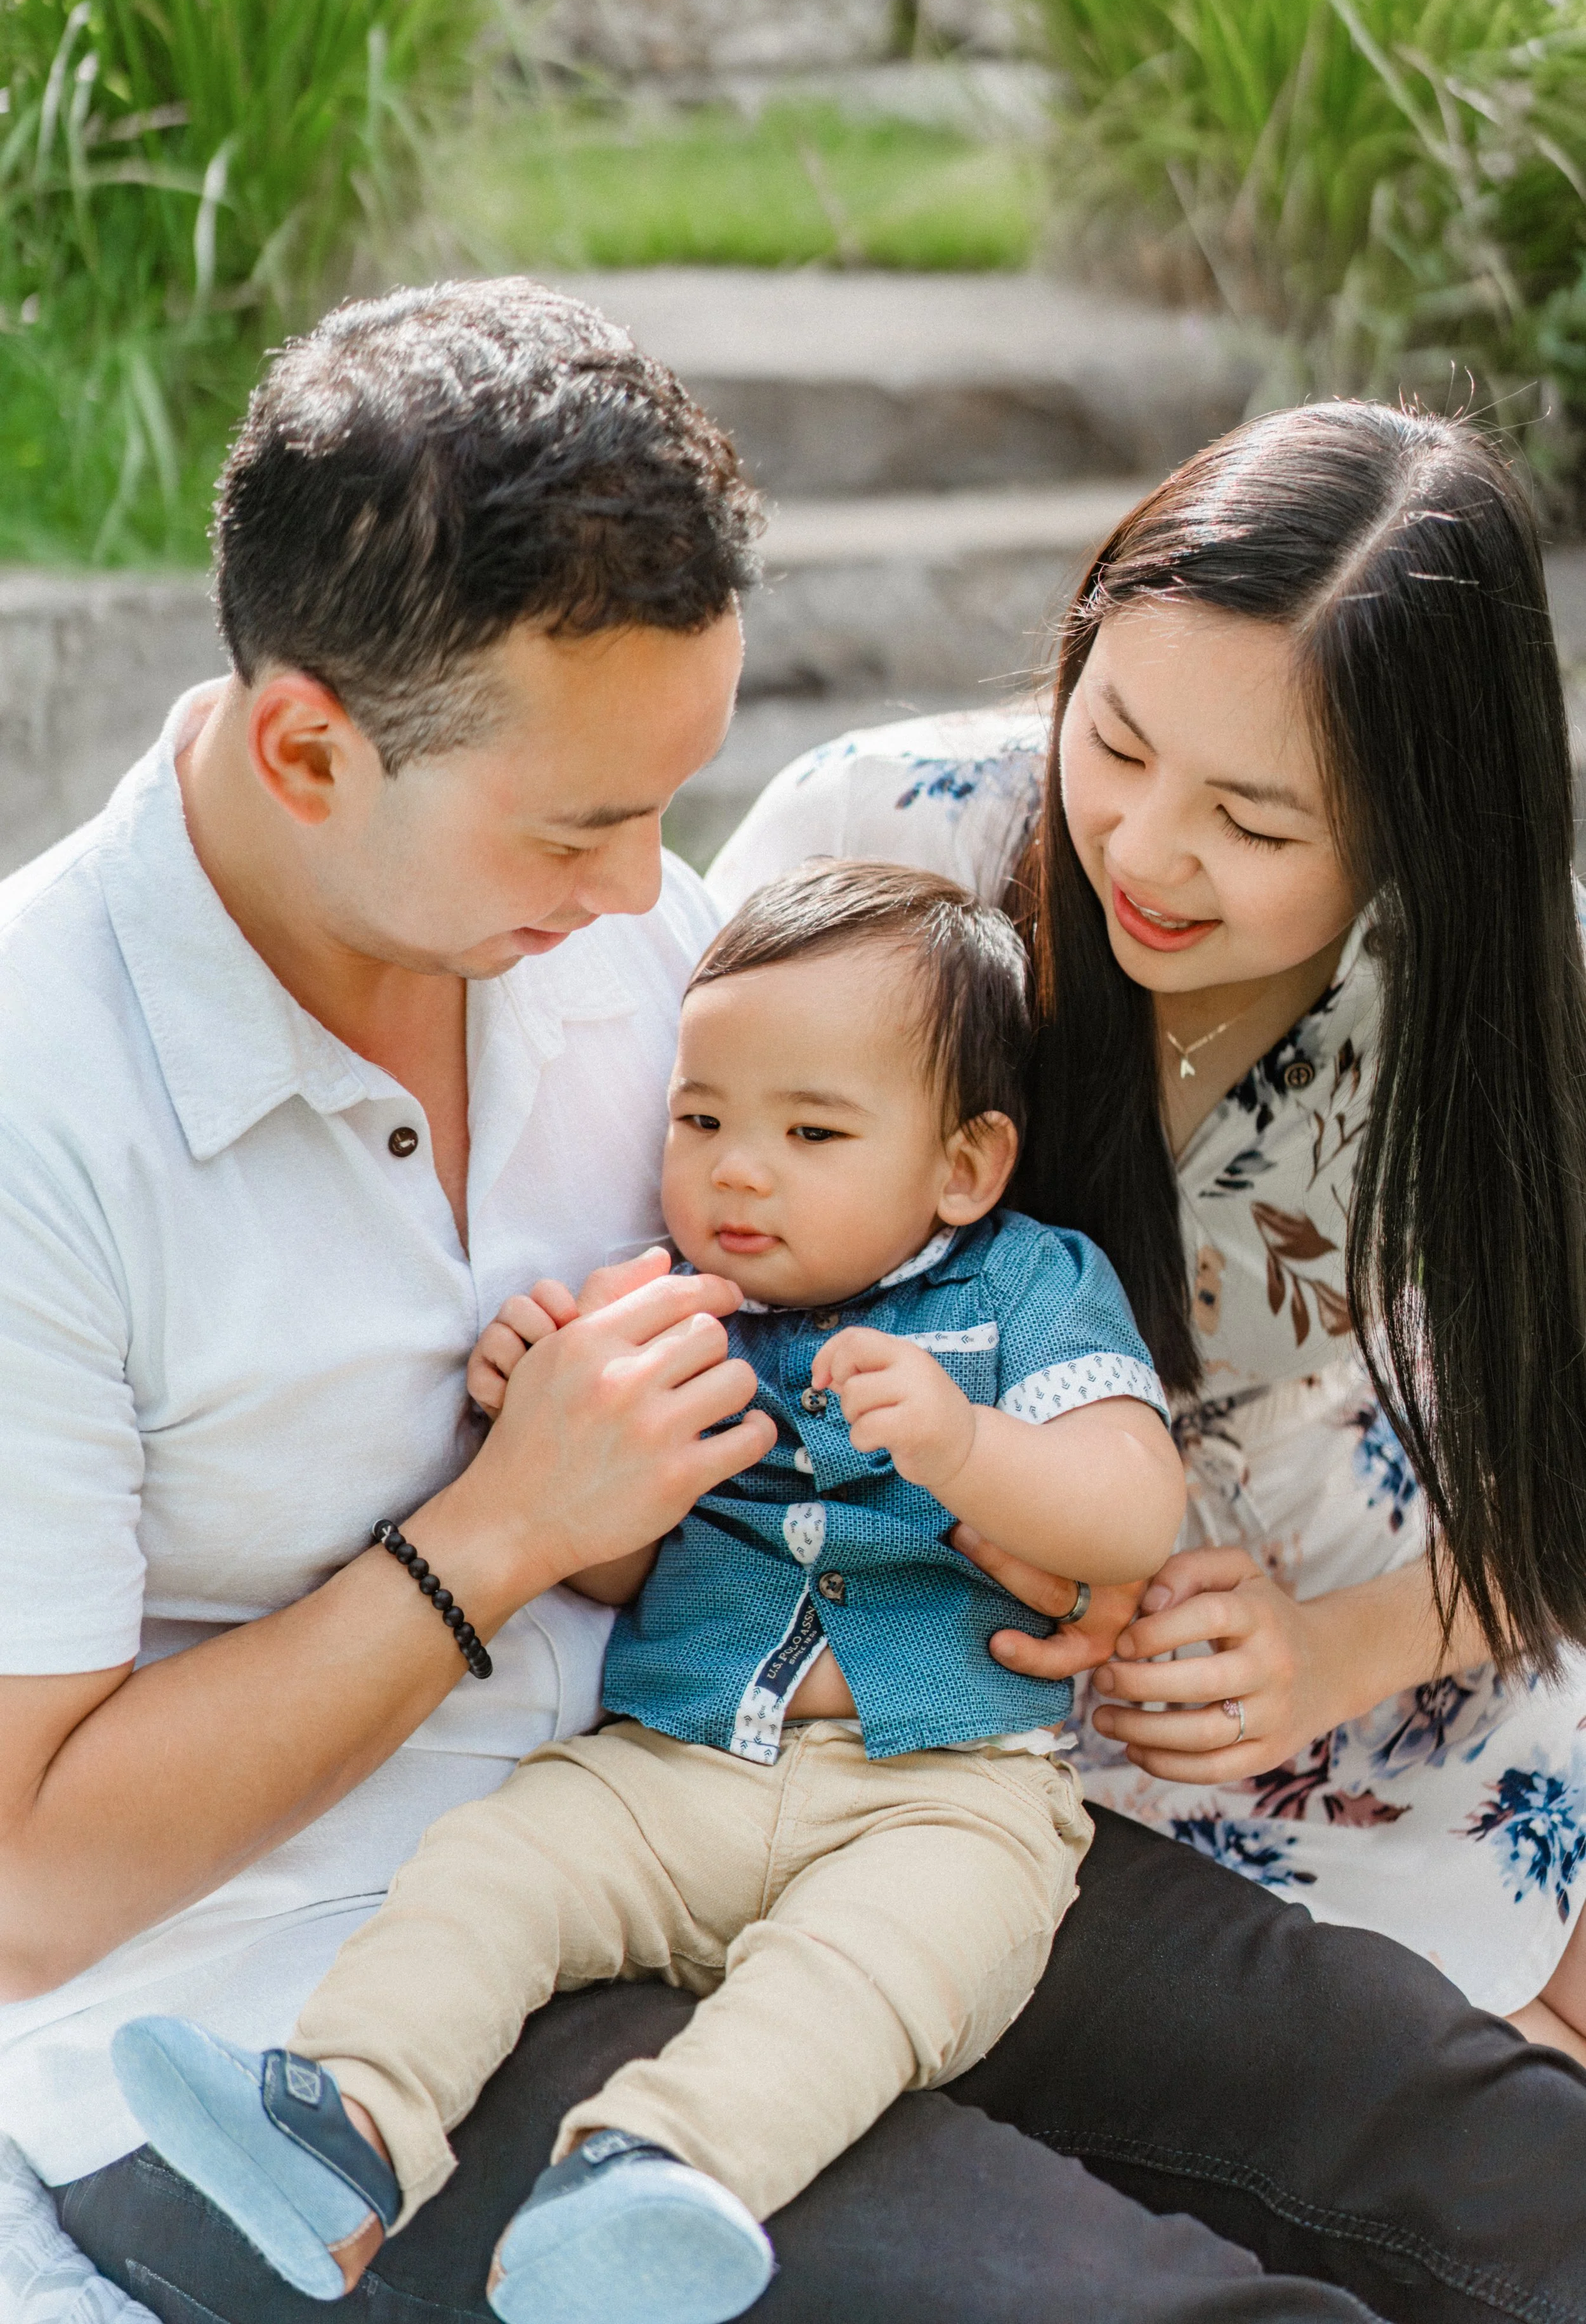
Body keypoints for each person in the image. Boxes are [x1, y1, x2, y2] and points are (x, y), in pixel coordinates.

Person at [0, 284, 1578, 2324]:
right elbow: (27, 1882)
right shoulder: (45, 1099)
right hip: (319, 1998)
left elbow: (930, 1310)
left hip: (840, 1787)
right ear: (311, 745)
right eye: (588, 821)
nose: (662, 887)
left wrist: (1028, 1518)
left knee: (1499, 2161)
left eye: (674, 797)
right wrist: (495, 1532)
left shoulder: (616, 939)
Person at [112, 859, 1185, 2324]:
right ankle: (342, 2122)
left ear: (962, 1165)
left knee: (852, 1983)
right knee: (493, 1875)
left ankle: (651, 2180)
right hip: (673, 1762)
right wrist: (544, 1424)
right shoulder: (670, 1306)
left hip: (941, 1791)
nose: (737, 1171)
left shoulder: (1024, 1290)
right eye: (701, 1120)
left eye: (810, 1131)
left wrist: (967, 1443)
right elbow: (614, 1562)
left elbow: (1132, 1508)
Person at [711, 400, 1586, 2053]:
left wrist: (1340, 1647)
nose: (1144, 845)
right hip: (951, 1715)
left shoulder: (1525, 1005)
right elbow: (682, 1228)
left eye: (1255, 822)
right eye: (1110, 738)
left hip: (1410, 1674)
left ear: (1423, 834)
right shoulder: (886, 846)